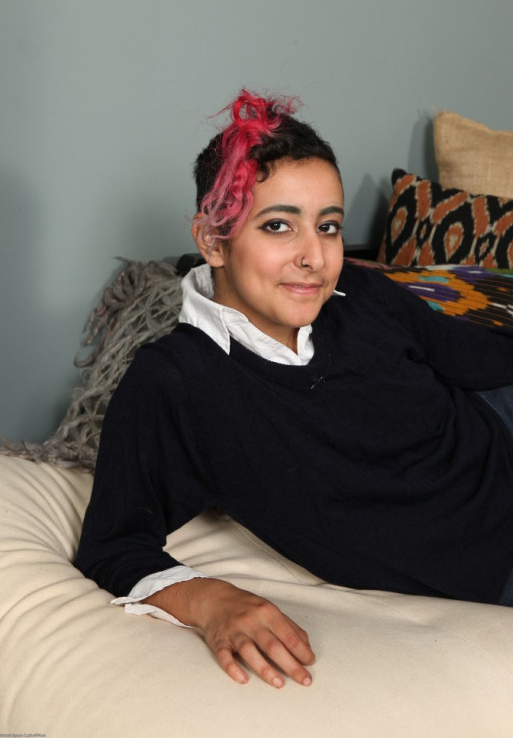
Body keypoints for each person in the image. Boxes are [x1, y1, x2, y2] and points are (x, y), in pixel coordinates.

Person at [75, 88, 513, 690]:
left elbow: (483, 361)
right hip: (486, 565)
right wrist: (211, 600)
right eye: (278, 225)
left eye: (328, 226)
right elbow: (113, 545)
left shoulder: (362, 294)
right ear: (213, 240)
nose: (315, 257)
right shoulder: (176, 381)